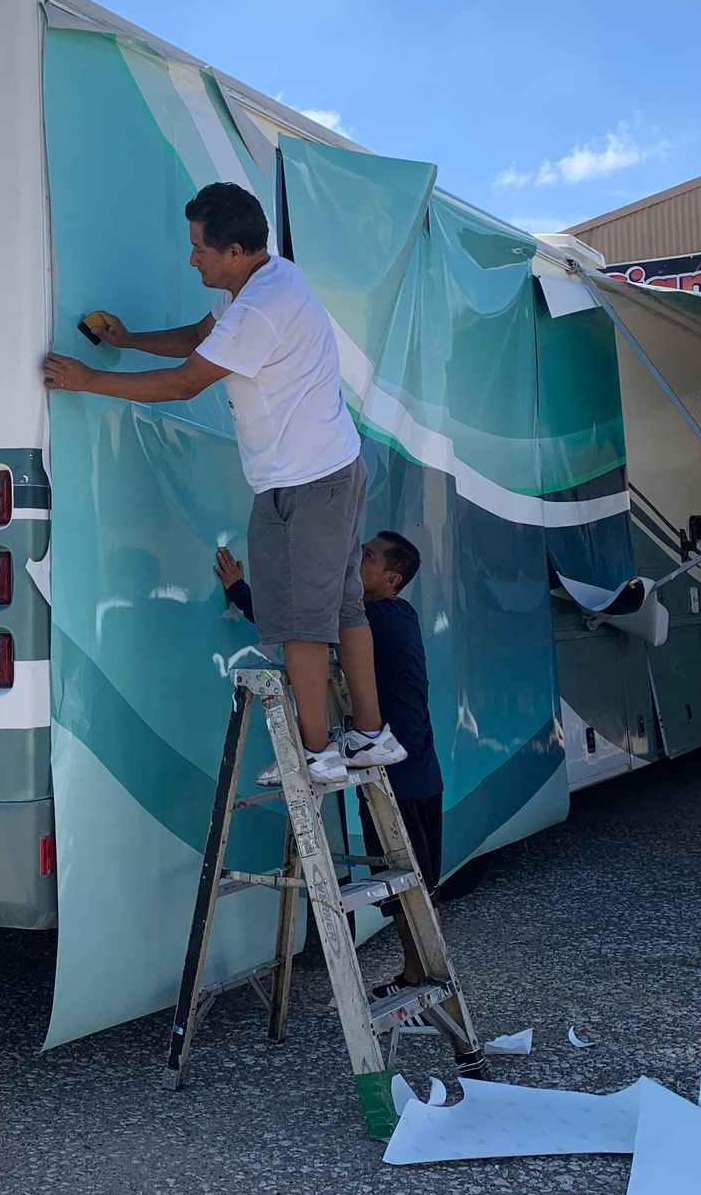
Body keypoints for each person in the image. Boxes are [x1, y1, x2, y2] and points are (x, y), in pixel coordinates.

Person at [43, 181, 404, 783]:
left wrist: (87, 381)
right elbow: (199, 339)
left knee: (298, 622)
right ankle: (370, 735)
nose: (192, 259)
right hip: (331, 471)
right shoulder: (267, 281)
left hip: (304, 482)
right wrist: (128, 341)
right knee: (343, 609)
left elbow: (187, 381)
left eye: (200, 250)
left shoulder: (260, 308)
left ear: (234, 250)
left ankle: (316, 754)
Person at [220, 531, 443, 992]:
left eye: (365, 558)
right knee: (406, 889)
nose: (353, 563)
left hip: (404, 779)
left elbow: (302, 627)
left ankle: (432, 986)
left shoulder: (377, 617)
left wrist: (239, 591)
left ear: (391, 579)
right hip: (410, 772)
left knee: (414, 893)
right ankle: (415, 977)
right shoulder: (396, 614)